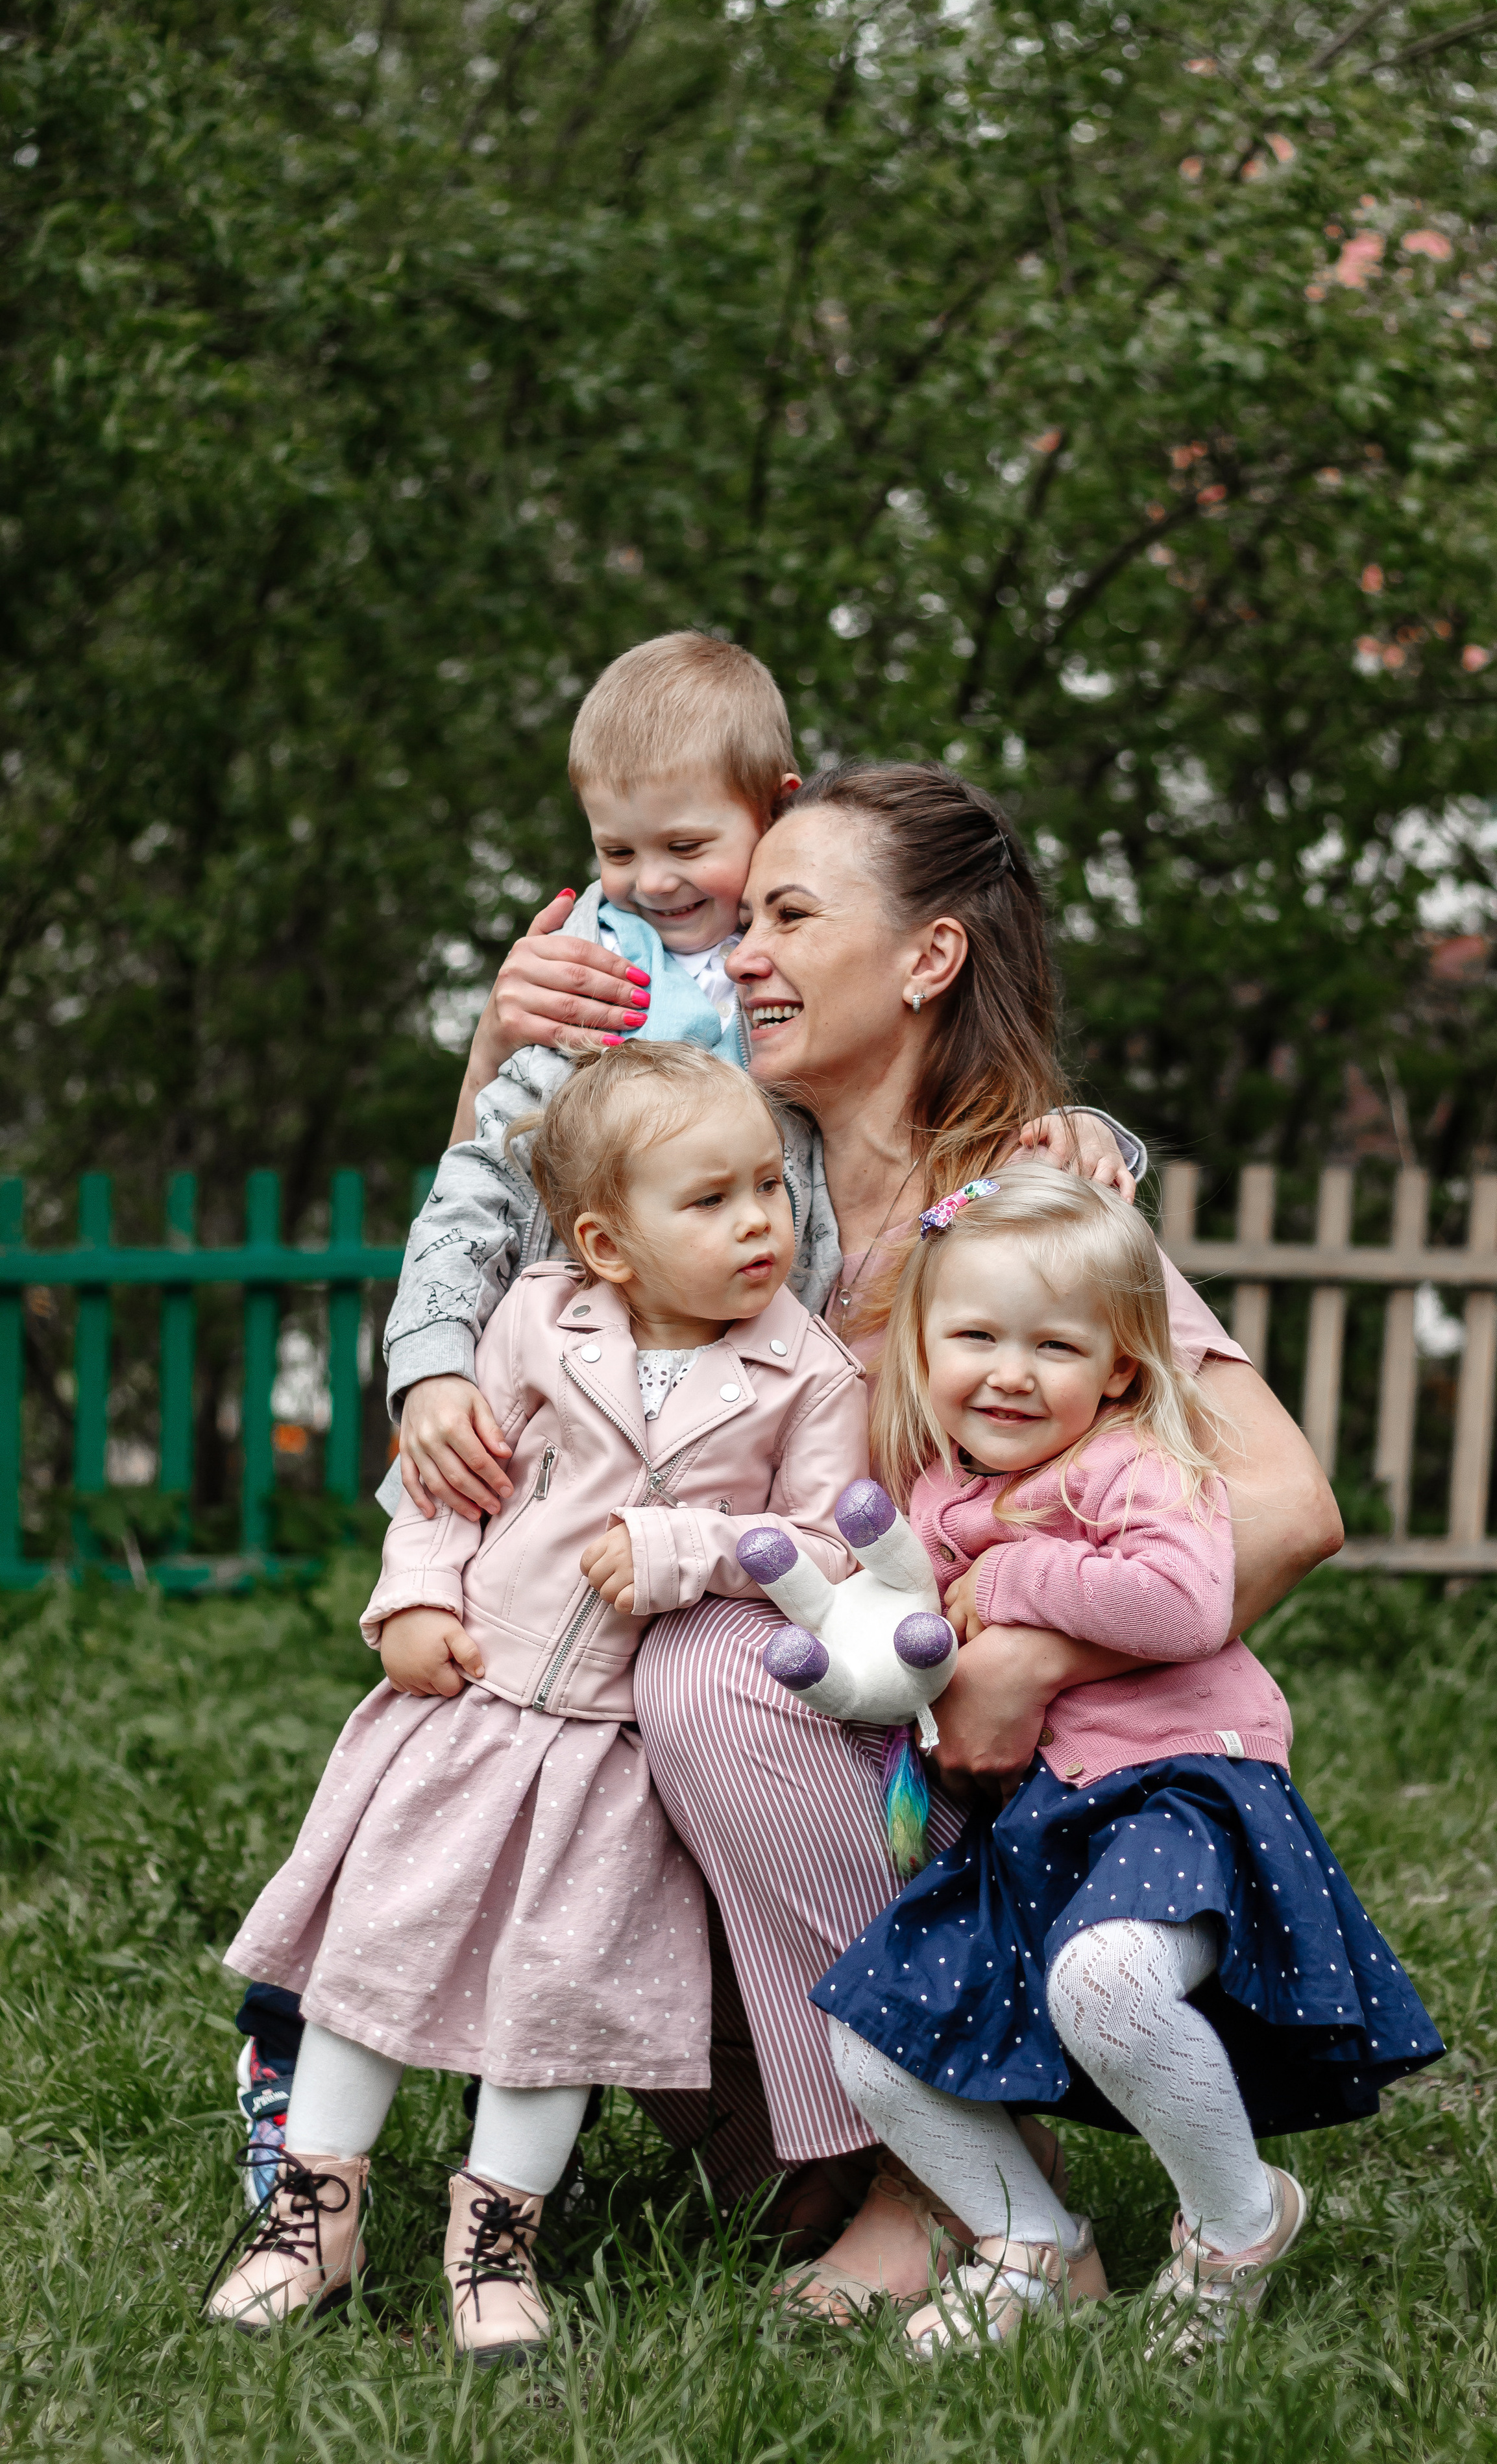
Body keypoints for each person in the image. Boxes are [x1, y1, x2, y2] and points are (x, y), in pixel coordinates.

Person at [403, 758, 1346, 2309]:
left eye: (788, 914)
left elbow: (1288, 1505)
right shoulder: (732, 1171)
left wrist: (1031, 1651)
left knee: (711, 1662)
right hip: (800, 1736)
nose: (741, 952)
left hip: (1001, 1777)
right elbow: (520, 1248)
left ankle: (961, 2184)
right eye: (742, 917)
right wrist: (504, 1052)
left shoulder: (1025, 1206)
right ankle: (818, 2130)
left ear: (927, 960)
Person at [206, 1045, 869, 2356]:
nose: (757, 1224)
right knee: (373, 1959)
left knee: (558, 2003)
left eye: (768, 1191)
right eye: (711, 1201)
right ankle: (314, 2215)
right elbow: (452, 1492)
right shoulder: (536, 1320)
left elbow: (827, 1547)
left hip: (613, 1753)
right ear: (606, 1245)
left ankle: (494, 2241)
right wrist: (410, 1603)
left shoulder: (809, 1374)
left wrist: (686, 1550)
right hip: (470, 1707)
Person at [810, 1166, 1442, 2355]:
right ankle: (1029, 2239)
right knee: (869, 2029)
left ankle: (1236, 2221)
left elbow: (1184, 1603)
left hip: (1183, 1795)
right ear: (923, 1345)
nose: (1009, 1371)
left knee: (1107, 1983)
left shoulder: (1131, 1464)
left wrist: (1006, 1578)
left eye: (1055, 1345)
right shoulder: (938, 1491)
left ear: (1118, 1369)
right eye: (976, 1337)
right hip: (1047, 1819)